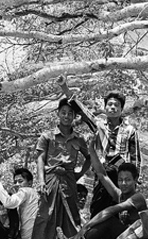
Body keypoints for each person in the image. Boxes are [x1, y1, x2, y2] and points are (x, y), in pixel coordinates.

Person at [60, 81, 142, 218]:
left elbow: (135, 157)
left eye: (116, 105)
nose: (113, 107)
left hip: (121, 176)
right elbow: (82, 110)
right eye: (110, 104)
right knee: (99, 207)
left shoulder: (129, 130)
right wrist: (65, 88)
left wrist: (135, 179)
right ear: (105, 108)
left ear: (121, 109)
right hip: (102, 174)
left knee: (122, 210)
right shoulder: (99, 125)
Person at [30, 98, 91, 239]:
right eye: (63, 112)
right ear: (58, 113)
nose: (66, 116)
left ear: (74, 116)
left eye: (70, 113)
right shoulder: (47, 136)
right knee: (46, 214)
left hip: (69, 179)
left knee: (71, 214)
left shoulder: (79, 138)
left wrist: (79, 174)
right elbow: (40, 159)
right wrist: (41, 181)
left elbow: (90, 157)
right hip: (51, 178)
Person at [70, 146, 147, 239]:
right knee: (104, 223)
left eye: (128, 180)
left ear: (135, 179)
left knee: (109, 220)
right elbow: (102, 175)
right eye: (120, 180)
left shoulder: (138, 198)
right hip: (122, 238)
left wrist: (85, 227)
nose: (123, 183)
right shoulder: (120, 195)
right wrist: (92, 150)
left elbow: (110, 211)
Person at [0, 167, 39, 239]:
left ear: (30, 183)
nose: (17, 184)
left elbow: (8, 202)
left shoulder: (25, 191)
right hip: (33, 237)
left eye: (20, 181)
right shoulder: (33, 193)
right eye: (15, 182)